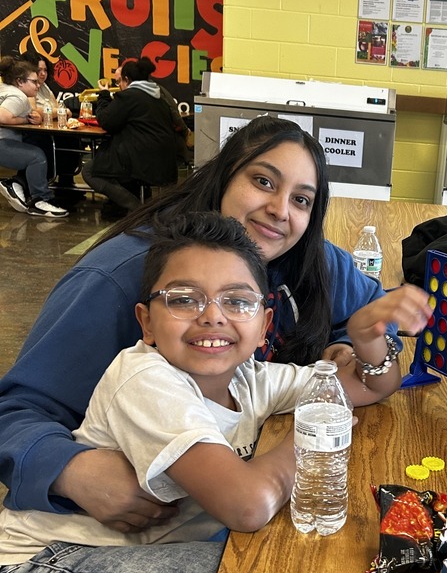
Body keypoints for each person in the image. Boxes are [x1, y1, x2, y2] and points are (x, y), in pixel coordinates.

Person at [0, 211, 431, 573]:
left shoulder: (249, 378)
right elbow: (248, 504)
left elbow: (361, 386)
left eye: (237, 301)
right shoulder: (146, 379)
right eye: (183, 299)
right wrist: (319, 425)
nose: (213, 317)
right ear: (146, 321)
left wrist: (370, 346)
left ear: (263, 321)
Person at [0, 115, 402, 527]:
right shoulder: (120, 278)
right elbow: (17, 409)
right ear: (224, 176)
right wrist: (72, 471)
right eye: (263, 181)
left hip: (196, 517)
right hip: (83, 540)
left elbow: (372, 314)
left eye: (301, 199)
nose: (280, 210)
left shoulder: (303, 258)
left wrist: (354, 345)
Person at [83, 55, 177, 216]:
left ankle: (138, 209)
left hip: (142, 159)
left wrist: (104, 95)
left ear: (126, 79)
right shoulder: (157, 97)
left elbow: (106, 120)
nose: (119, 86)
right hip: (165, 161)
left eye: (119, 82)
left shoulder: (130, 96)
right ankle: (136, 207)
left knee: (89, 171)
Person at [0, 56, 69, 219]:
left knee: (36, 148)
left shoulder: (5, 89)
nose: (38, 85)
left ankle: (20, 185)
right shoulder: (18, 96)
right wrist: (25, 120)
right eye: (34, 82)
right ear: (19, 81)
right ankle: (40, 200)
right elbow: (2, 117)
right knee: (37, 156)